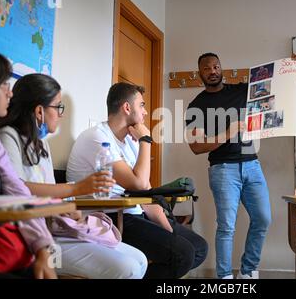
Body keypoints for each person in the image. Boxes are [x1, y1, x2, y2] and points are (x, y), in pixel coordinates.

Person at [0, 73, 148, 279]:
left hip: (52, 227)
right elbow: (17, 189)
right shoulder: (7, 136)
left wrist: (68, 208)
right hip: (32, 236)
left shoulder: (41, 144)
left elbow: (48, 192)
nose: (61, 114)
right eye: (58, 107)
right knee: (128, 268)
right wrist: (77, 189)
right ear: (39, 111)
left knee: (140, 260)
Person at [66, 82, 208, 279]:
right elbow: (138, 184)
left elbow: (146, 191)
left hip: (135, 213)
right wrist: (146, 140)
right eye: (141, 105)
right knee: (183, 254)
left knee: (199, 248)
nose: (146, 112)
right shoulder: (97, 137)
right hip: (111, 217)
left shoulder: (128, 142)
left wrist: (168, 227)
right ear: (126, 107)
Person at [185, 53, 272, 279]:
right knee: (227, 227)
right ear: (199, 74)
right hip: (223, 169)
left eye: (216, 66)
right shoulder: (197, 105)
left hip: (252, 165)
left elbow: (275, 83)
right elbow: (196, 146)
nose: (212, 71)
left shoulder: (241, 91)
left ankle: (248, 272)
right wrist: (227, 133)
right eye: (207, 68)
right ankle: (223, 277)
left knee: (263, 218)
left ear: (222, 68)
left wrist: (293, 63)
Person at [0, 49, 56, 279]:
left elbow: (18, 189)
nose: (9, 94)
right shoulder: (6, 136)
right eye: (3, 85)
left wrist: (44, 248)